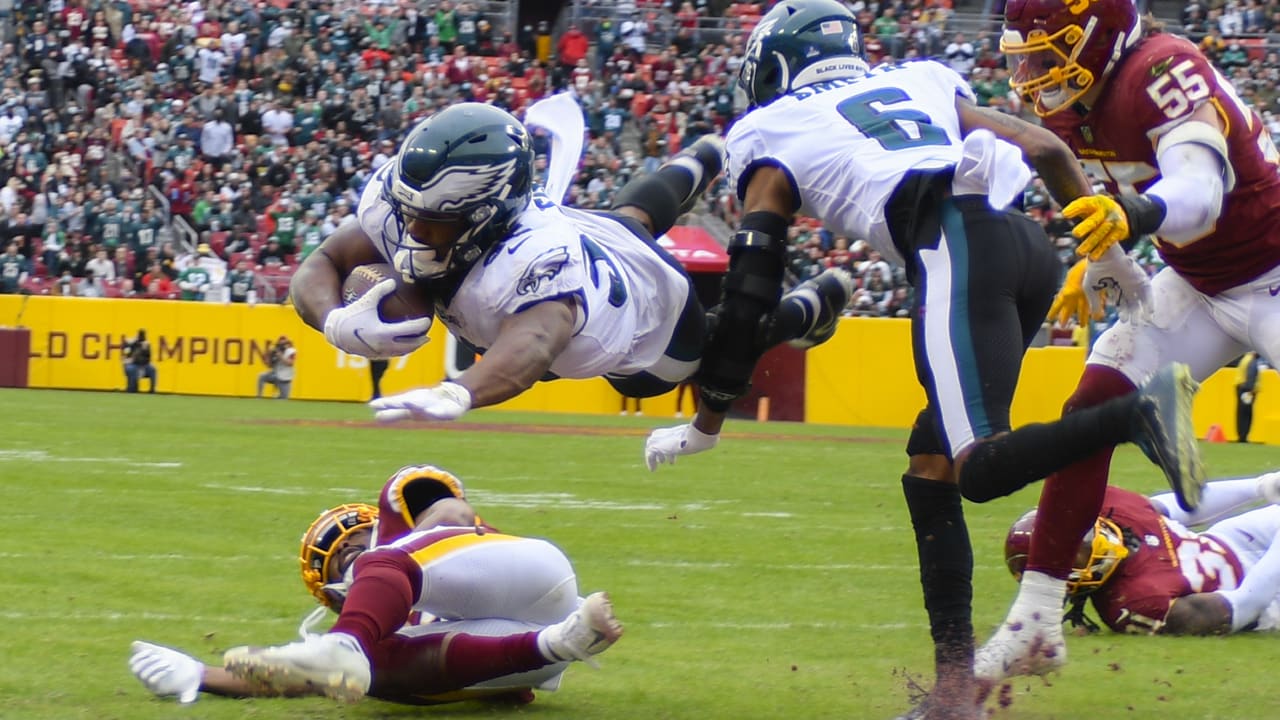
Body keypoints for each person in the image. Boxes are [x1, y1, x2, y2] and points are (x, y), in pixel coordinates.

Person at [640, 3, 1204, 718]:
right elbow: (1048, 151)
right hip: (1024, 245)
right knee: (929, 468)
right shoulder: (920, 79)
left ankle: (1140, 412)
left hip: (952, 243)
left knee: (979, 468)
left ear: (774, 66)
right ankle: (952, 695)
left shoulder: (769, 130)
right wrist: (1117, 263)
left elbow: (751, 295)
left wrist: (706, 424)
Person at [976, 0, 1280, 691]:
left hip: (1271, 271)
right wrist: (1106, 260)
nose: (1034, 73)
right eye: (1026, 56)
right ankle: (1036, 619)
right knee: (1091, 408)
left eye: (1050, 53)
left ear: (1098, 33)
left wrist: (1131, 219)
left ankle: (1249, 603)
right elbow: (1110, 194)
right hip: (1200, 281)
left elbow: (1198, 196)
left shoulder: (1162, 66)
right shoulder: (1072, 102)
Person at [289, 94, 851, 424]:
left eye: (434, 218)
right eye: (410, 211)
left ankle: (802, 312)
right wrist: (334, 320)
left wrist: (457, 391)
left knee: (713, 353)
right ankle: (701, 159)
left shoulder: (534, 259)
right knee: (627, 220)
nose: (411, 230)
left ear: (487, 210)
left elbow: (532, 346)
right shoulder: (412, 205)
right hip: (588, 237)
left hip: (647, 316)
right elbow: (322, 261)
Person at [129, 464, 624, 704]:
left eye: (351, 546)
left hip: (527, 577)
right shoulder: (373, 623)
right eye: (337, 563)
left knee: (364, 625)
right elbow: (292, 677)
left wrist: (410, 536)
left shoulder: (397, 532)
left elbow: (451, 508)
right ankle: (566, 641)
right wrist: (199, 676)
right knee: (368, 672)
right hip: (528, 653)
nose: (349, 561)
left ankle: (344, 643)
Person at [1001, 471, 1280, 636]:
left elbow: (1174, 507)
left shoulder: (1109, 507)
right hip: (1266, 597)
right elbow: (1245, 605)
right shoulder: (1132, 602)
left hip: (1229, 539)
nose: (1087, 546)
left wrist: (1259, 486)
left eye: (1078, 537)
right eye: (1072, 556)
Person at [1236, 352, 1262, 443]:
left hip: (1240, 387)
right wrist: (1250, 390)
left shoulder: (1245, 359)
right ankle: (1244, 436)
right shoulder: (1252, 361)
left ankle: (1241, 436)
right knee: (1247, 414)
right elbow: (1251, 375)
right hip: (1247, 390)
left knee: (1240, 413)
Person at [122, 329, 157, 393]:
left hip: (144, 364)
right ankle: (132, 389)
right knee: (131, 369)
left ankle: (152, 390)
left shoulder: (146, 345)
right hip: (133, 364)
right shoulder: (132, 343)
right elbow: (126, 353)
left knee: (153, 369)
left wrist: (144, 349)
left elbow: (148, 358)